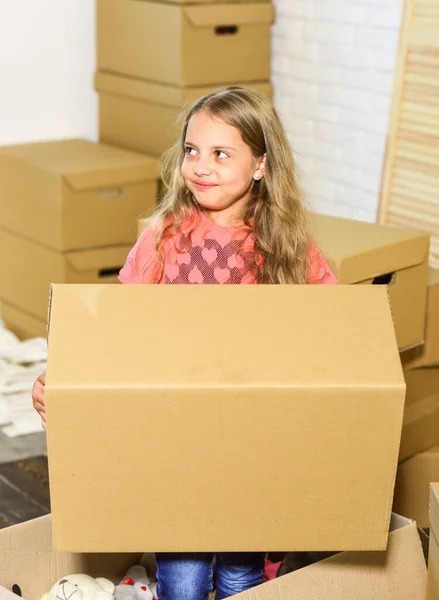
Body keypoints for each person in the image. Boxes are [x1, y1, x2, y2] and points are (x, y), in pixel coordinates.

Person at [32, 86, 337, 600]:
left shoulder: (285, 244)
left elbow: (331, 326)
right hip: (176, 437)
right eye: (192, 150)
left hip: (249, 442)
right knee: (184, 575)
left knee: (241, 572)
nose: (201, 166)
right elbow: (116, 326)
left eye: (221, 153)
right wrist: (62, 377)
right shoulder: (164, 236)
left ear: (261, 164)